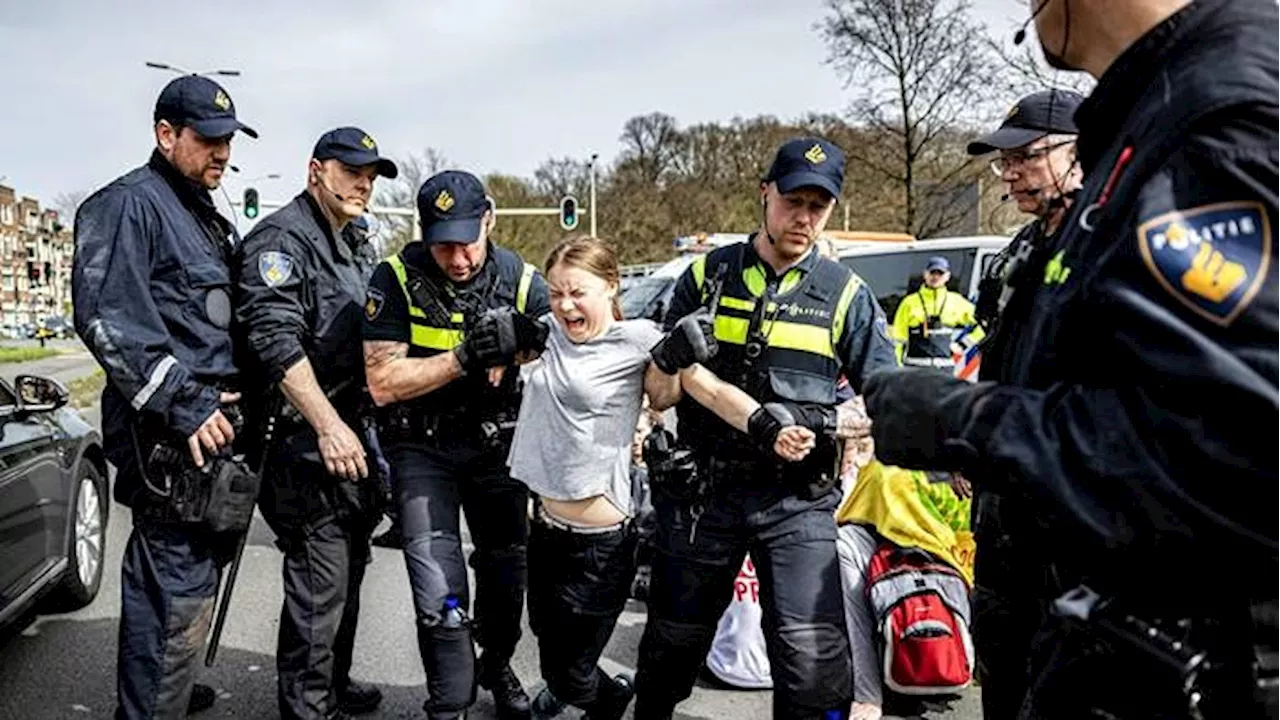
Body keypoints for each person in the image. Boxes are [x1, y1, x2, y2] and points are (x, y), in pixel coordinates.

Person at [864, 0, 1279, 717]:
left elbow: (1236, 451)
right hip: (1101, 625)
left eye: (1027, 154)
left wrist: (961, 422)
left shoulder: (1222, 110)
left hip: (1205, 667)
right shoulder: (1159, 110)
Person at [632, 136, 899, 720]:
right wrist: (669, 358)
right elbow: (657, 394)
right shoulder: (707, 274)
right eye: (792, 202)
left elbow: (886, 401)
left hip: (796, 498)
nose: (804, 218)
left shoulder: (846, 293)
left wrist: (819, 421)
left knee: (813, 667)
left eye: (818, 207)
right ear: (765, 194)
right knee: (668, 652)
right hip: (704, 494)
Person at [509, 236, 816, 720]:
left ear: (611, 286)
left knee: (569, 668)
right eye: (555, 293)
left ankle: (604, 702)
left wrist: (766, 427)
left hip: (599, 544)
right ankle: (595, 693)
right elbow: (506, 356)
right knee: (549, 645)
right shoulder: (546, 331)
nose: (564, 305)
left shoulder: (641, 340)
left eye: (576, 292)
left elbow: (707, 392)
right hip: (544, 529)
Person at [71, 74, 255, 719]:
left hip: (213, 441)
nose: (222, 154)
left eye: (228, 141)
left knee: (193, 590)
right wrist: (187, 404)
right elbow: (107, 318)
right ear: (166, 134)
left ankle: (166, 696)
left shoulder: (201, 216)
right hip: (170, 443)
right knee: (171, 597)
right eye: (207, 140)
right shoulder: (127, 205)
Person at [362, 170, 549, 720]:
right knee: (439, 590)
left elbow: (567, 342)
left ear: (489, 220)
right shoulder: (393, 277)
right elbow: (383, 381)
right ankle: (449, 702)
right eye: (443, 245)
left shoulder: (520, 276)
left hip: (497, 447)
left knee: (506, 574)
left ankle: (497, 663)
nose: (459, 259)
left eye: (468, 242)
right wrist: (464, 357)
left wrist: (523, 341)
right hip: (423, 450)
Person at [234, 127, 397, 720]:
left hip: (352, 435)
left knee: (349, 572)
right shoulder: (282, 241)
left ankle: (333, 680)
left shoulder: (353, 240)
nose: (364, 184)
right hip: (303, 442)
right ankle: (308, 706)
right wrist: (329, 426)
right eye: (352, 170)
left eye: (372, 175)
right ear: (315, 171)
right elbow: (273, 340)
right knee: (318, 584)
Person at [961, 87, 1084, 720]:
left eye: (1026, 157)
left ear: (1078, 152)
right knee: (1002, 676)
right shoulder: (1016, 255)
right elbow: (996, 361)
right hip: (1002, 519)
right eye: (1002, 162)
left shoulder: (1117, 242)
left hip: (1074, 529)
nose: (1009, 173)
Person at [889, 256, 982, 370]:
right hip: (915, 369)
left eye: (940, 273)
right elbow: (898, 338)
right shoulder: (909, 303)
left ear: (947, 276)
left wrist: (963, 344)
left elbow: (984, 324)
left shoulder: (956, 301)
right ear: (925, 275)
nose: (936, 277)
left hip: (943, 370)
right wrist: (897, 366)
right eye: (932, 273)